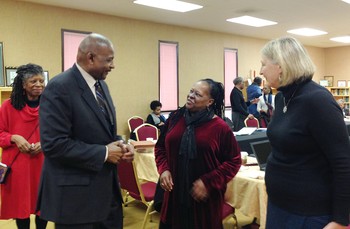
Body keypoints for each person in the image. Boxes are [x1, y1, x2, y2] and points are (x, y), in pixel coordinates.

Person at [37, 33, 134, 229]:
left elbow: (100, 131)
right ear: (90, 58)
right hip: (77, 204)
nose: (113, 65)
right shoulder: (59, 87)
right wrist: (105, 153)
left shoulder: (102, 86)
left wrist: (121, 145)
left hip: (107, 197)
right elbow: (53, 144)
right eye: (109, 60)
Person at [260, 36, 350, 229]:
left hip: (309, 214)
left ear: (281, 66)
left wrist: (341, 220)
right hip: (279, 206)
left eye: (264, 64)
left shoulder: (317, 101)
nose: (261, 71)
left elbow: (343, 162)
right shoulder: (282, 98)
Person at [155, 78, 241, 229]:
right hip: (174, 196)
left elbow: (234, 161)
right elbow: (160, 147)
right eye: (191, 91)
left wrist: (208, 182)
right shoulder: (175, 118)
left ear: (210, 102)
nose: (191, 96)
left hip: (203, 201)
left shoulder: (220, 128)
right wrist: (164, 169)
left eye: (198, 94)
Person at [0, 63, 47, 229]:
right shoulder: (7, 106)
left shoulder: (51, 105)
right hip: (18, 165)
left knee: (43, 206)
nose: (39, 84)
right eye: (34, 81)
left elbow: (61, 132)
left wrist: (45, 143)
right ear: (23, 84)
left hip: (43, 163)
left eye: (42, 80)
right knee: (21, 208)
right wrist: (14, 137)